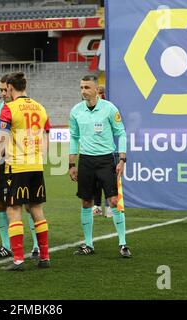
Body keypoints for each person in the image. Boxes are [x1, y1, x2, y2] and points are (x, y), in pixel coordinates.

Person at [0, 72, 51, 271]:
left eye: (6, 88)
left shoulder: (9, 109)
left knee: (13, 209)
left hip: (15, 166)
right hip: (36, 165)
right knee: (36, 210)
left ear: (10, 88)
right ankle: (44, 257)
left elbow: (1, 139)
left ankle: (18, 259)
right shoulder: (41, 108)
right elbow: (46, 136)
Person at [68, 75, 131, 258]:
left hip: (106, 160)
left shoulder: (109, 109)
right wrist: (72, 163)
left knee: (113, 202)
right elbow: (74, 137)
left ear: (97, 89)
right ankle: (88, 244)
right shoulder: (76, 111)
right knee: (86, 202)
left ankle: (123, 244)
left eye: (87, 87)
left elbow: (121, 133)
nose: (83, 91)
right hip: (86, 161)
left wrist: (122, 159)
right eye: (81, 87)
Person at [92, 84, 113, 218]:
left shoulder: (108, 108)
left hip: (106, 150)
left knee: (107, 181)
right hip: (93, 151)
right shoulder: (91, 109)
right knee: (96, 182)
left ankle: (109, 207)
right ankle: (97, 206)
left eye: (99, 93)